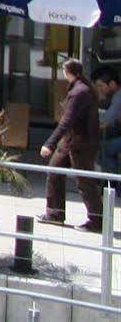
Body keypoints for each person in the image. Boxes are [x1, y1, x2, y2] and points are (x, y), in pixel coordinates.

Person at [42, 58, 104, 231]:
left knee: (85, 182)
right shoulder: (81, 88)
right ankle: (54, 214)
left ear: (67, 72)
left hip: (81, 143)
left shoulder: (80, 92)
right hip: (71, 141)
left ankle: (97, 221)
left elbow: (66, 121)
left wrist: (49, 143)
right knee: (54, 170)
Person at [96, 68, 121, 175]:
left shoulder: (119, 97)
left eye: (101, 86)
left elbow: (107, 118)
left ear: (112, 84)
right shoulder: (116, 96)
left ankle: (114, 182)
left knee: (102, 150)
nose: (99, 89)